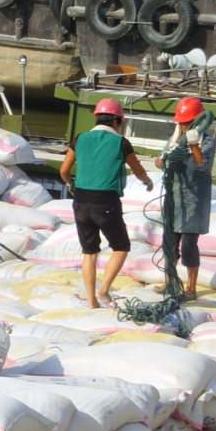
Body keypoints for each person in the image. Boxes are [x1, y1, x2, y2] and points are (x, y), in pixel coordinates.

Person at [59, 98, 153, 309]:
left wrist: (71, 185)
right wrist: (148, 182)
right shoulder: (121, 142)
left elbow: (64, 171)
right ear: (118, 121)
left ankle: (92, 300)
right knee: (121, 247)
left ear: (97, 118)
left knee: (89, 252)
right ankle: (104, 289)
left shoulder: (80, 139)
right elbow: (138, 171)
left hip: (81, 200)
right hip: (106, 202)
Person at [155, 96, 216, 301]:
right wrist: (165, 158)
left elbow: (203, 166)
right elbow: (160, 162)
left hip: (194, 201)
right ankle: (170, 281)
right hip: (174, 198)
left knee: (189, 245)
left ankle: (191, 287)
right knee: (169, 243)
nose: (182, 127)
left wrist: (192, 145)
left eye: (187, 123)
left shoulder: (208, 142)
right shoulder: (172, 141)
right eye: (181, 123)